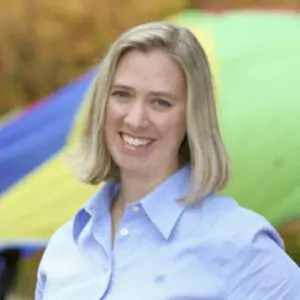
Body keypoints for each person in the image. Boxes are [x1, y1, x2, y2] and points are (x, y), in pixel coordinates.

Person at [35, 21, 300, 300]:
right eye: (122, 95)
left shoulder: (239, 245)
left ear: (192, 117)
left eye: (161, 102)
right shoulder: (65, 246)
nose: (136, 119)